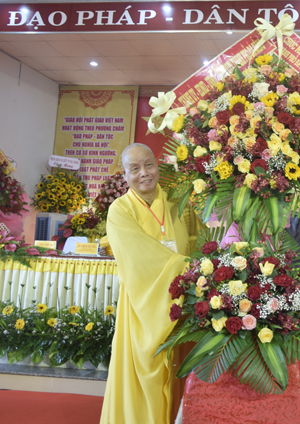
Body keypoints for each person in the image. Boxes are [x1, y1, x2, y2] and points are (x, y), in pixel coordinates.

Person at [101, 144, 201, 424]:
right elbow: (139, 259)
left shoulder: (177, 204)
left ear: (158, 166)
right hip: (141, 307)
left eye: (149, 165)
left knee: (183, 371)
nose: (144, 174)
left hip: (184, 307)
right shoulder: (119, 210)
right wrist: (188, 268)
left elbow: (200, 244)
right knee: (148, 367)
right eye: (135, 169)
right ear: (124, 175)